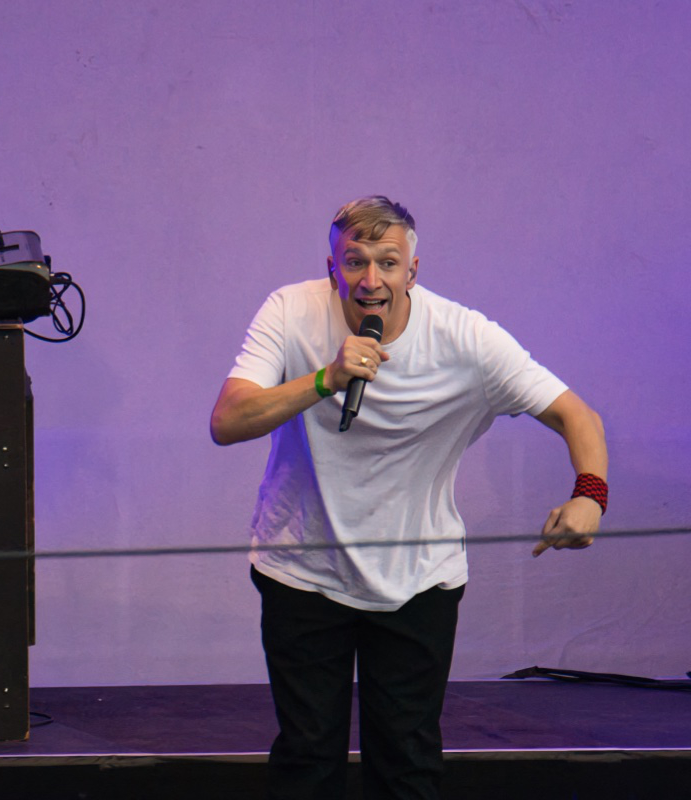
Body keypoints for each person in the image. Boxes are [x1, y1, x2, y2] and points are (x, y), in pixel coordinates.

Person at [210, 196, 608, 799]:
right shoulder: (290, 311)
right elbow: (228, 420)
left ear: (412, 272)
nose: (371, 280)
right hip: (302, 569)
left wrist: (589, 496)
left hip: (419, 579)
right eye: (355, 261)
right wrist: (325, 378)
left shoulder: (466, 338)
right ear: (332, 268)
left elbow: (578, 415)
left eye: (388, 263)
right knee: (306, 759)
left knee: (406, 763)